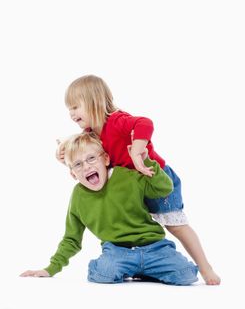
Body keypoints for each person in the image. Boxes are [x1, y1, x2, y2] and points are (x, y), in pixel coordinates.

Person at [56, 75, 220, 285]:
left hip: (156, 179)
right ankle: (144, 263)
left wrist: (138, 151)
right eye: (69, 108)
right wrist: (60, 155)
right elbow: (84, 155)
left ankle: (205, 267)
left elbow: (144, 123)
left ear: (93, 101)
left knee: (176, 226)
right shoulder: (90, 133)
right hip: (133, 187)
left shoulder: (116, 121)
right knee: (140, 224)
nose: (71, 113)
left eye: (75, 107)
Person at [20, 132, 198, 285]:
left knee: (187, 275)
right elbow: (71, 239)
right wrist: (51, 268)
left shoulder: (127, 177)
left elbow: (165, 188)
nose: (86, 166)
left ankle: (144, 271)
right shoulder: (78, 197)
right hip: (117, 251)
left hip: (154, 248)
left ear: (105, 159)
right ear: (73, 173)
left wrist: (147, 162)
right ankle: (128, 268)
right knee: (104, 273)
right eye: (78, 164)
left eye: (91, 158)